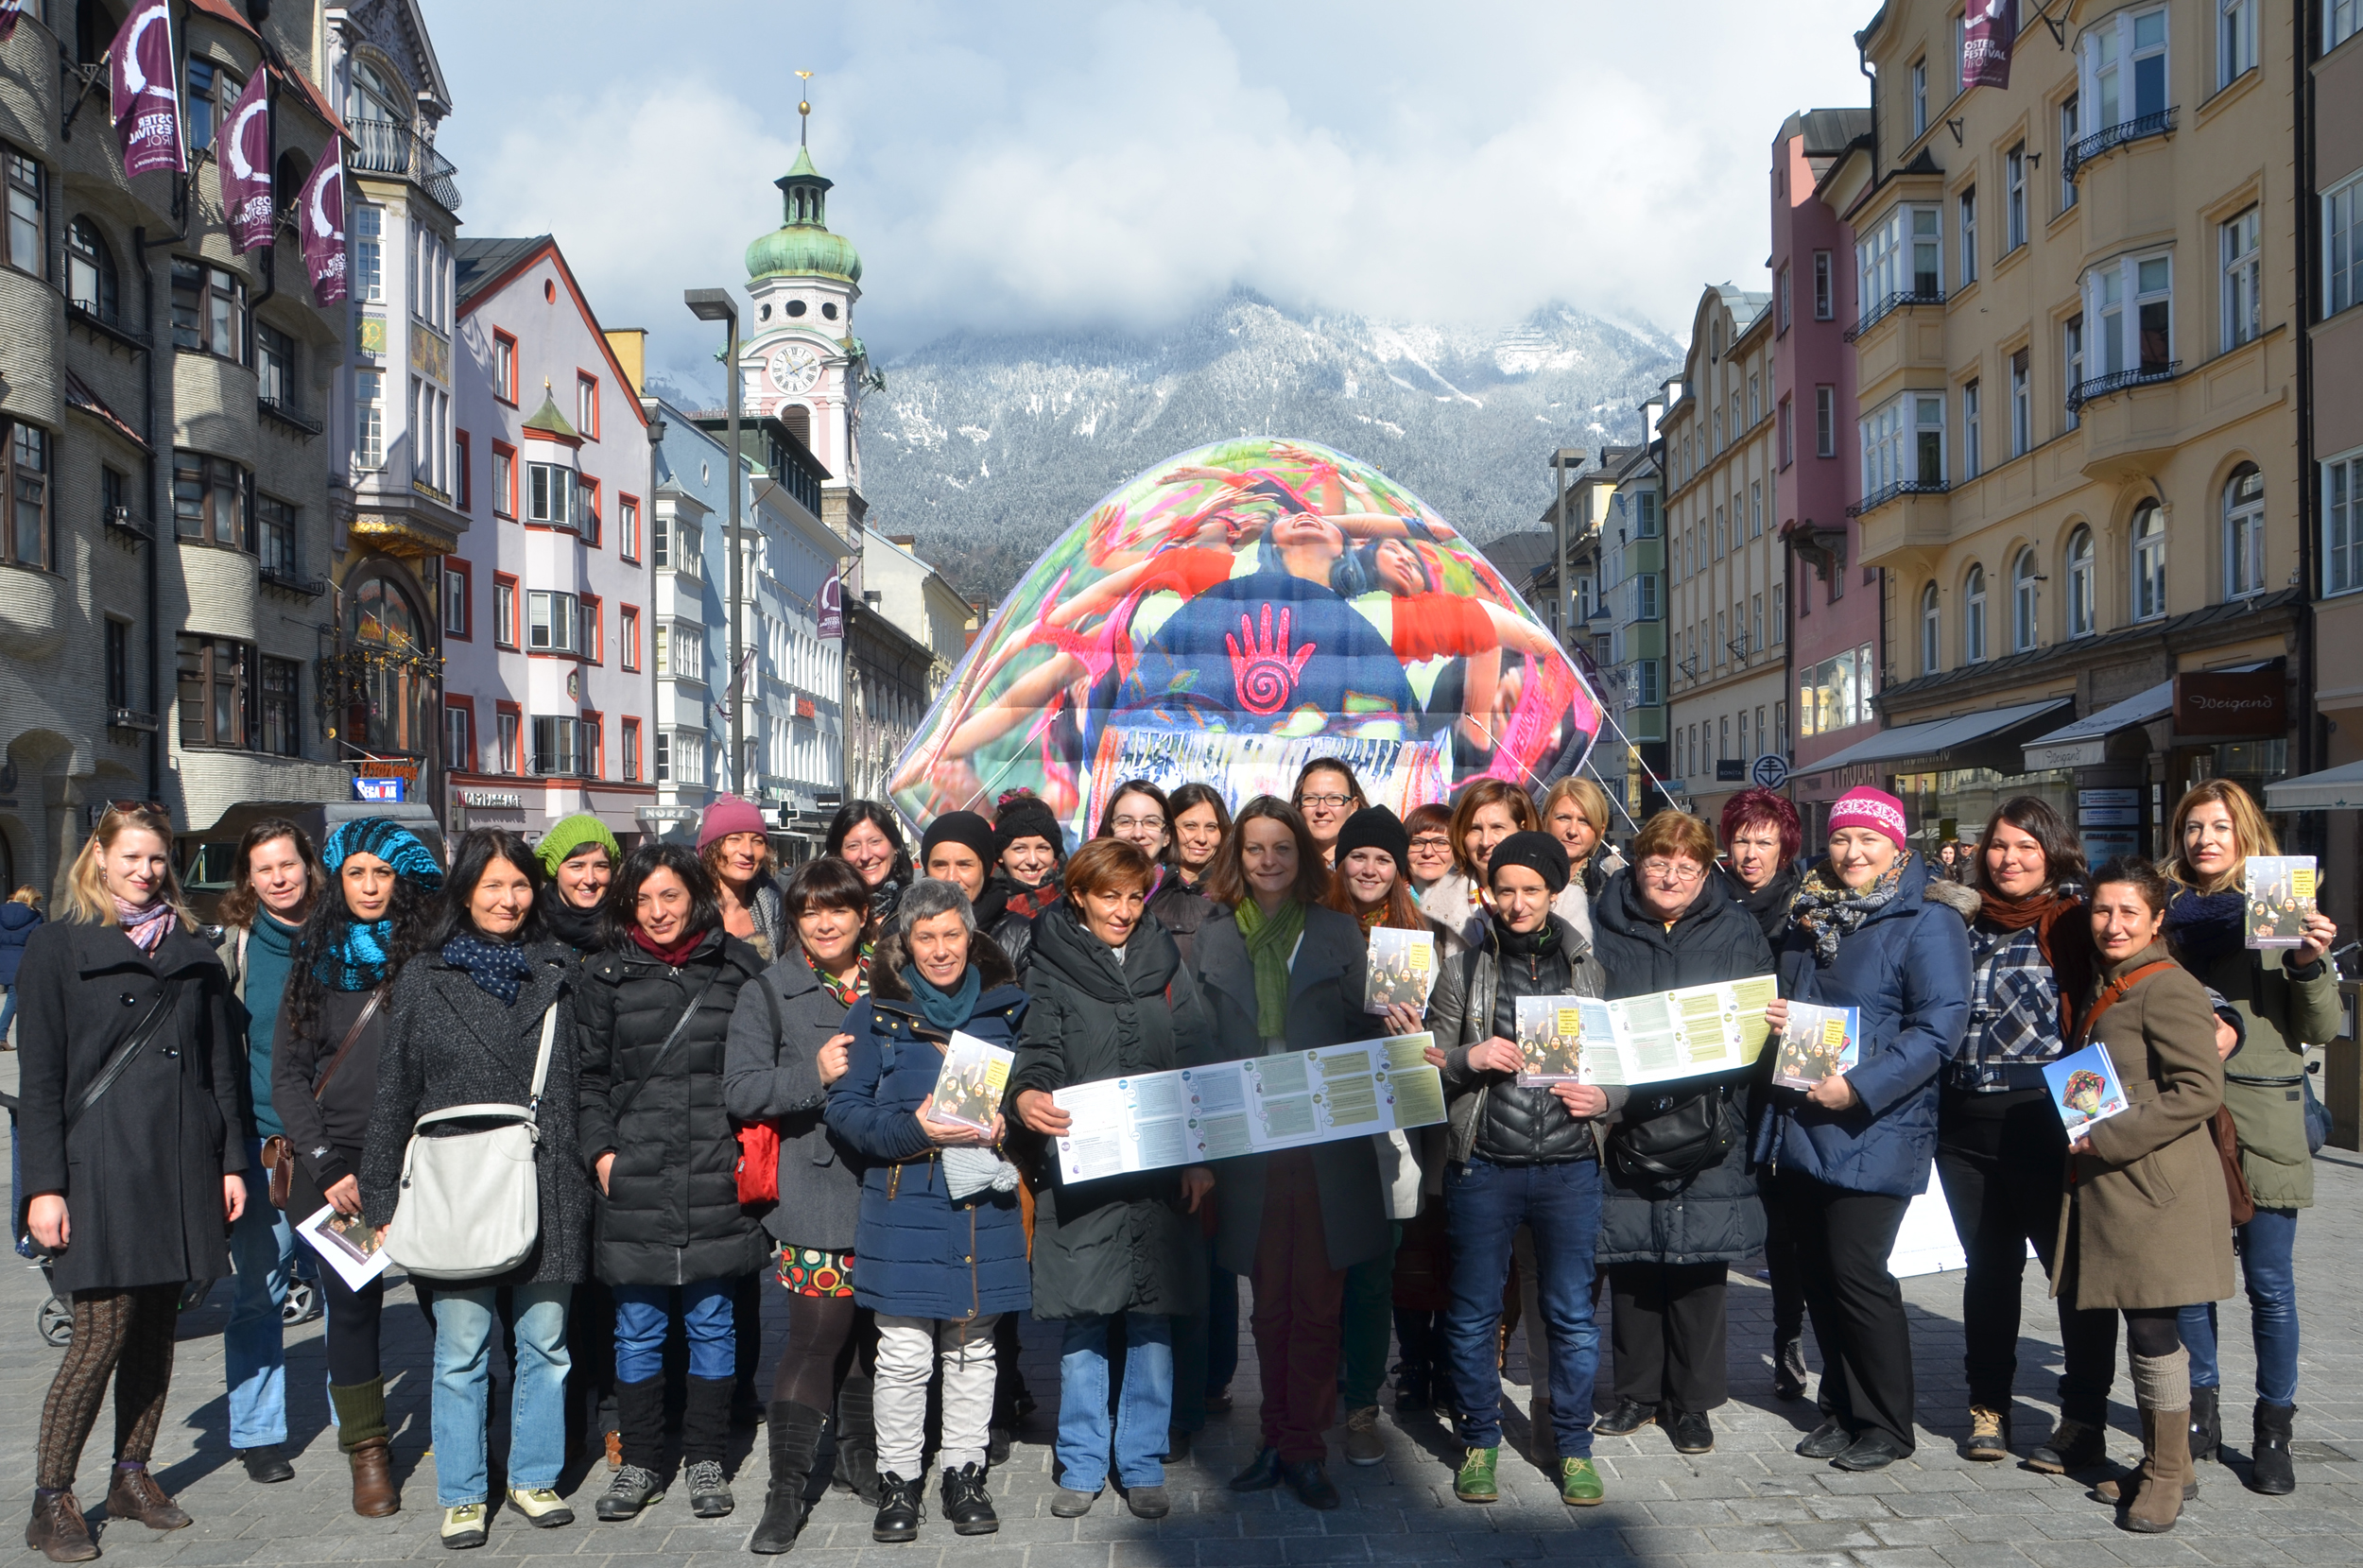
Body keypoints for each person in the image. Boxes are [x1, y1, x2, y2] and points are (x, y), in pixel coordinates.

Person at [17, 803, 245, 1561]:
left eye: (158, 859)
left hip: (181, 1159)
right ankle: (51, 1498)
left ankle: (131, 1474)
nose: (147, 871)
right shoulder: (56, 946)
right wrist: (41, 1187)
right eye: (134, 857)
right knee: (99, 1333)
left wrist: (232, 1163)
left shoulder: (193, 950)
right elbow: (41, 1080)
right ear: (101, 858)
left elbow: (222, 1073)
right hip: (100, 1164)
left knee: (154, 1327)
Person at [362, 830, 592, 1550]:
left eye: (520, 884)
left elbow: (587, 1080)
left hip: (549, 1178)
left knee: (544, 1343)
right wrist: (379, 1199)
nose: (508, 898)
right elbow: (394, 1089)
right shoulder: (425, 977)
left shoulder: (561, 967)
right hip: (458, 1185)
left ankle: (531, 1475)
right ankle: (463, 1491)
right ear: (465, 891)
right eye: (493, 885)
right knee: (460, 1348)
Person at [1756, 787, 1971, 1473]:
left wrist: (1858, 1086)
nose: (1852, 852)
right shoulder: (1810, 910)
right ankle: (1841, 1406)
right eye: (1844, 838)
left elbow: (1939, 1030)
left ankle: (1886, 1421)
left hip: (1876, 1123)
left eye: (1869, 840)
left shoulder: (1926, 921)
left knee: (1858, 1273)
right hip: (1802, 1115)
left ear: (1897, 846)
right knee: (1818, 1272)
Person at [1009, 839, 1216, 1519]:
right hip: (1084, 1168)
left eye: (1135, 895)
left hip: (1159, 1171)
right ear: (1078, 894)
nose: (1124, 910)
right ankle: (1082, 1463)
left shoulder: (1165, 962)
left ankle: (1142, 1460)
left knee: (1153, 1321)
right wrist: (1029, 1094)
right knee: (1084, 1324)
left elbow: (1195, 1054)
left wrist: (1198, 1154)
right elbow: (1036, 1049)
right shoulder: (1051, 964)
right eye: (1109, 895)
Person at [825, 879, 1031, 1542]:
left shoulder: (1008, 1011)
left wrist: (1011, 1126)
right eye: (926, 936)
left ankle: (964, 1472)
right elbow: (845, 1110)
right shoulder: (875, 1014)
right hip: (904, 1203)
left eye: (951, 934)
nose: (940, 949)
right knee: (905, 1353)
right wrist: (915, 1130)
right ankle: (898, 1479)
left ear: (970, 936)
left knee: (973, 1350)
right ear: (905, 944)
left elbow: (1038, 1098)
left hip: (981, 1204)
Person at [1197, 799, 1388, 1509]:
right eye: (1254, 848)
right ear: (1237, 856)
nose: (1268, 860)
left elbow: (1364, 1026)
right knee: (1267, 1304)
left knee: (1317, 1302)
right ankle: (1273, 1436)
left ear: (1303, 856)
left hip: (1324, 1141)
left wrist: (1396, 1027)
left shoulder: (1338, 930)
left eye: (1282, 847)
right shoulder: (1215, 938)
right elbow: (1202, 1044)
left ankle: (1305, 1445)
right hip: (1249, 1145)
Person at [577, 843, 771, 1523]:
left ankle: (707, 1456)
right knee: (637, 1328)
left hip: (716, 1171)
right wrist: (601, 1151)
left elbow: (758, 1066)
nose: (658, 912)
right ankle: (639, 1461)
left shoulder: (737, 968)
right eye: (644, 899)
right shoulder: (602, 976)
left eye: (671, 896)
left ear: (696, 895)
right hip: (635, 1174)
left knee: (714, 1322)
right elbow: (590, 1078)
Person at [1425, 830, 1617, 1507]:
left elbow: (1619, 1067)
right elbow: (1432, 1065)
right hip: (1486, 1164)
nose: (1516, 902)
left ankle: (1571, 1446)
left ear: (1555, 892)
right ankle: (1479, 1439)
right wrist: (1466, 1059)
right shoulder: (1463, 970)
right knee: (1475, 1312)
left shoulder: (1590, 968)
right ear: (1488, 891)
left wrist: (1607, 1099)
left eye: (1530, 889)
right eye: (1503, 889)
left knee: (1568, 1313)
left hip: (1569, 1167)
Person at [2163, 780, 2340, 1493]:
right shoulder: (2165, 914)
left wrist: (2306, 960)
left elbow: (2320, 1029)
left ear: (2245, 835)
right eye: (2193, 828)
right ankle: (2199, 1415)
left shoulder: (2279, 909)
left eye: (2219, 827)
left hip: (2263, 1122)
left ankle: (2275, 1430)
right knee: (2190, 1282)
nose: (2205, 840)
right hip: (2183, 1120)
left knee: (2269, 1284)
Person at [1931, 798, 2115, 1470]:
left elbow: (2137, 975)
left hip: (2049, 1124)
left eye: (2026, 847)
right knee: (1989, 1269)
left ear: (2053, 853)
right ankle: (1989, 1406)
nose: (2009, 859)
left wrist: (2218, 1018)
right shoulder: (1956, 919)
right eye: (2000, 846)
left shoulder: (2074, 919)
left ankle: (2083, 1417)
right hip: (1962, 1126)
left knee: (2074, 1276)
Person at [2056, 857, 2236, 1535]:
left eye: (2130, 911)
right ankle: (2172, 1462)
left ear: (2157, 919)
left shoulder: (2167, 987)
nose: (2113, 923)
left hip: (2158, 1186)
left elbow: (2200, 1088)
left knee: (2157, 1331)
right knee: (2144, 1326)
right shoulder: (2114, 981)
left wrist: (2109, 1137)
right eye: (2103, 910)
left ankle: (2166, 1470)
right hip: (2121, 1185)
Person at [270, 818, 442, 1518]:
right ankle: (368, 1451)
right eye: (356, 873)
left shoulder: (427, 955)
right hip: (337, 1165)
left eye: (383, 873)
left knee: (447, 1297)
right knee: (353, 1303)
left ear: (401, 879)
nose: (370, 886)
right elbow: (286, 1075)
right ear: (337, 880)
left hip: (419, 1161)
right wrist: (322, 1158)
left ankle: (471, 1425)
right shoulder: (313, 956)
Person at [1589, 812, 1774, 1456]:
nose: (1670, 876)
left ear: (1705, 871)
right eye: (1658, 862)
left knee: (1699, 1266)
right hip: (1626, 1115)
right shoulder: (1597, 924)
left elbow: (1757, 1017)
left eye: (1686, 866)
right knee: (1633, 1258)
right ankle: (1636, 1392)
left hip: (1709, 1119)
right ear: (1636, 864)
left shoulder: (1737, 927)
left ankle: (1691, 1403)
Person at [726, 856, 875, 1551]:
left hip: (889, 1182)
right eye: (810, 910)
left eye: (838, 907)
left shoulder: (892, 982)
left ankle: (855, 1455)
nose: (824, 921)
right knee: (816, 1334)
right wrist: (810, 1075)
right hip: (813, 1187)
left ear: (863, 914)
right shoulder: (771, 990)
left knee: (870, 1331)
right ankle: (785, 1490)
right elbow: (743, 1089)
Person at [211, 819, 324, 1486]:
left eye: (289, 863)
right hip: (264, 1146)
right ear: (248, 880)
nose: (280, 877)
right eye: (265, 868)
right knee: (259, 1289)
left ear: (308, 867)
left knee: (352, 1283)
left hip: (337, 1147)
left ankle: (356, 1423)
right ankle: (257, 1432)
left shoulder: (345, 935)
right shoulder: (239, 945)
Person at [1316, 804, 1426, 1465]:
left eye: (1384, 858)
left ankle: (1362, 1398)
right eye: (1359, 855)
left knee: (1372, 1273)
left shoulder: (1416, 937)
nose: (1370, 868)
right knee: (1317, 1268)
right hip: (1322, 1123)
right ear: (1341, 860)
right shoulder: (1312, 930)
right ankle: (1312, 1390)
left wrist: (1418, 1034)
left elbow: (1440, 1032)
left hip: (1389, 1125)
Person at [1717, 788, 1810, 1399]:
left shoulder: (1805, 908)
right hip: (1723, 1072)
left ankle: (1787, 1336)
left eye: (1764, 841)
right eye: (1742, 839)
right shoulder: (1710, 900)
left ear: (1785, 846)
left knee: (1785, 1220)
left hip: (1783, 1077)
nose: (1751, 853)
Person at [1098, 778, 1220, 966]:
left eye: (1151, 822)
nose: (1138, 833)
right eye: (1125, 821)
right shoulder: (1081, 897)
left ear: (1167, 837)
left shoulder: (1200, 910)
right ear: (1110, 829)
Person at [978, 795, 1066, 972]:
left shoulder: (1077, 900)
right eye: (1019, 848)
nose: (1032, 860)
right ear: (1001, 855)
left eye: (1042, 848)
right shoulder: (982, 908)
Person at [706, 796, 788, 960]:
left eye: (757, 841)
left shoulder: (775, 906)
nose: (748, 851)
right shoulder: (686, 906)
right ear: (710, 848)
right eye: (734, 839)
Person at [538, 814, 621, 956]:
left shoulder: (629, 929)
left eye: (600, 866)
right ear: (555, 872)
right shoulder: (531, 925)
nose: (590, 879)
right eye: (577, 866)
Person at [828, 801, 914, 933]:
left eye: (875, 842)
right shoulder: (823, 909)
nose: (865, 856)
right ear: (837, 855)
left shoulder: (919, 906)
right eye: (853, 846)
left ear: (895, 846)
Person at [1540, 777, 1627, 898]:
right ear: (1544, 821)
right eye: (1563, 818)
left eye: (1584, 821)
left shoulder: (1615, 887)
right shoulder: (1521, 874)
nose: (1573, 831)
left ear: (1600, 830)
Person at [1291, 757, 1368, 867]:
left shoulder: (1368, 870)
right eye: (1311, 798)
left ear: (1353, 806)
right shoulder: (1284, 868)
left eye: (1334, 798)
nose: (1321, 810)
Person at [0, 883, 44, 1048]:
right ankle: (1, 1035)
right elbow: (38, 941)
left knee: (16, 996)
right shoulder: (34, 916)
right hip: (23, 959)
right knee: (15, 998)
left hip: (4, 958)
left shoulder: (2, 912)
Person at [1166, 784, 1232, 890]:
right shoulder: (1149, 884)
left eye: (1211, 827)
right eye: (1190, 826)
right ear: (1169, 829)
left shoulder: (1234, 890)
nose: (1201, 838)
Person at [1404, 803, 1457, 900]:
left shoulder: (1477, 907)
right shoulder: (1383, 908)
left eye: (1441, 843)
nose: (1428, 852)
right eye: (1417, 843)